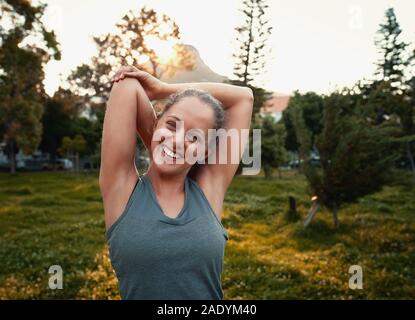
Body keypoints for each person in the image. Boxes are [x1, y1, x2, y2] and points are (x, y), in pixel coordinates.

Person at [99, 66, 254, 299]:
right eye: (172, 125)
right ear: (155, 125)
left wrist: (165, 89)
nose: (179, 141)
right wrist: (159, 139)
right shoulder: (121, 189)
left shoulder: (209, 188)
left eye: (194, 138)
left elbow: (244, 97)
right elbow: (127, 84)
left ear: (204, 152)